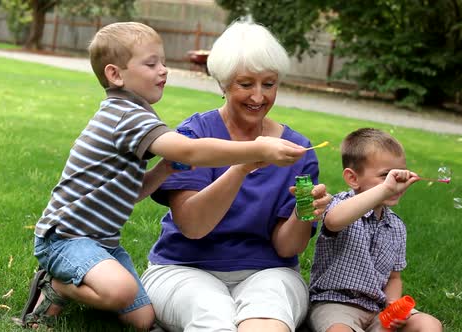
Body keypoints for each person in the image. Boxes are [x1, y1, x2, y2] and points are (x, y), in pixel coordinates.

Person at [13, 21, 308, 330]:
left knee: (142, 319)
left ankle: (89, 282)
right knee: (121, 291)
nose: (164, 70)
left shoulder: (138, 114)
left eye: (163, 62)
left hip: (103, 241)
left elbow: (128, 191)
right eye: (152, 64)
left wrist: (163, 170)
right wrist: (254, 151)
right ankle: (58, 286)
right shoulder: (125, 116)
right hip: (67, 236)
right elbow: (190, 151)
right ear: (116, 74)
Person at [140, 21, 331, 332]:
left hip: (268, 272)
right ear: (223, 83)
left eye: (269, 84)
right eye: (246, 84)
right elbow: (193, 226)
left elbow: (287, 249)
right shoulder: (194, 137)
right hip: (184, 268)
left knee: (268, 321)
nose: (258, 96)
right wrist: (243, 164)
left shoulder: (297, 150)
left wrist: (303, 212)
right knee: (213, 316)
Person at [307, 128, 443, 332]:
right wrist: (385, 189)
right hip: (335, 305)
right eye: (386, 176)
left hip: (377, 308)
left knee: (430, 324)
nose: (395, 183)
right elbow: (333, 221)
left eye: (398, 175)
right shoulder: (341, 206)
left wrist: (393, 305)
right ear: (353, 179)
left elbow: (394, 277)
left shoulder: (396, 226)